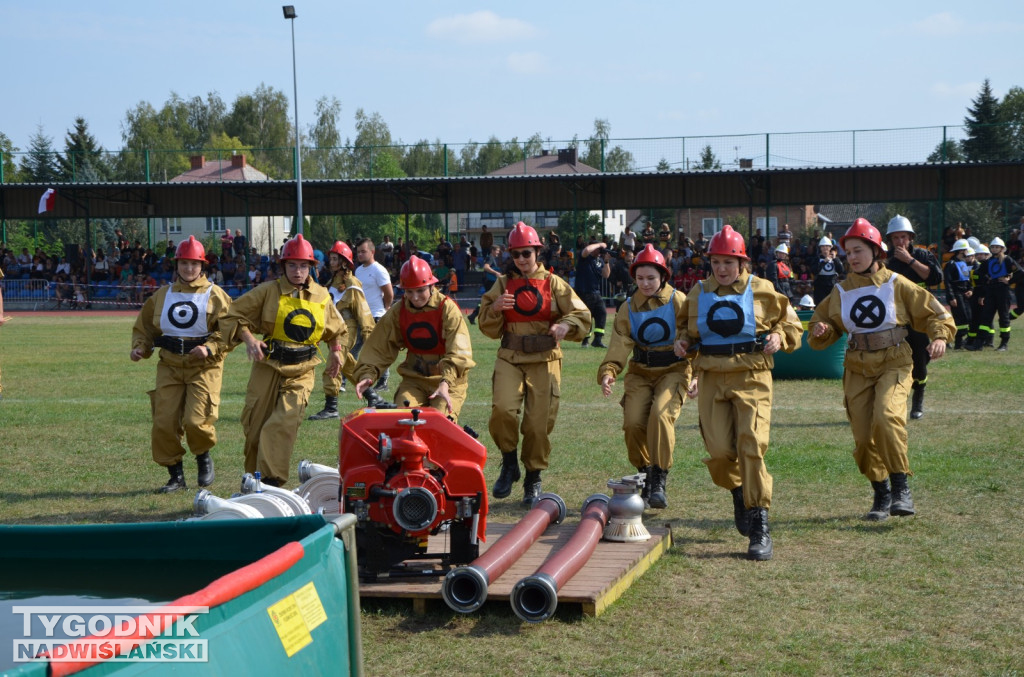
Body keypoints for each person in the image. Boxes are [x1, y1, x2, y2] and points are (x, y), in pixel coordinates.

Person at [809, 219, 955, 522]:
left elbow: (934, 311)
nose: (852, 257)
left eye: (858, 250)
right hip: (857, 366)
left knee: (887, 418)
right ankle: (881, 491)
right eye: (848, 252)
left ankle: (901, 487)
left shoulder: (896, 283)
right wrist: (822, 329)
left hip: (895, 360)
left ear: (877, 251)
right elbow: (822, 326)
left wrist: (940, 335)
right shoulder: (840, 290)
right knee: (863, 437)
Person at [671, 225, 802, 561]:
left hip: (752, 375)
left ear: (742, 262)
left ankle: (759, 523)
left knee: (751, 445)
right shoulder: (698, 293)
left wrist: (778, 336)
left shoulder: (764, 290)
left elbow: (791, 324)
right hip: (713, 376)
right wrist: (682, 344)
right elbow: (687, 332)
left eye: (729, 261)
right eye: (716, 261)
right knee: (718, 452)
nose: (722, 268)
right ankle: (738, 488)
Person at [478, 222, 592, 506]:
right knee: (503, 410)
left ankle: (533, 477)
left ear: (537, 252)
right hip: (511, 357)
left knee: (537, 425)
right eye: (516, 254)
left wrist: (566, 325)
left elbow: (582, 314)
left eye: (526, 253)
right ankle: (508, 463)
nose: (521, 260)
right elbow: (486, 325)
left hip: (545, 359)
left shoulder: (554, 283)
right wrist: (494, 309)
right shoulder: (503, 283)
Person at [221, 234, 346, 486]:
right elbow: (231, 316)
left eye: (303, 265)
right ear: (283, 267)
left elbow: (336, 329)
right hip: (268, 366)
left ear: (312, 267)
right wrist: (249, 339)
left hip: (302, 370)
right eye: (292, 265)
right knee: (255, 428)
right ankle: (253, 484)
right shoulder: (267, 292)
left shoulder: (322, 296)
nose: (298, 271)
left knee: (281, 424)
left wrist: (335, 350)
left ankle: (271, 483)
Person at [129, 236, 232, 493]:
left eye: (194, 264)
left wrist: (210, 347)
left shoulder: (216, 295)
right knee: (163, 422)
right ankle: (175, 475)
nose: (189, 269)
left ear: (202, 266)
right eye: (184, 263)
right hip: (170, 365)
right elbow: (146, 328)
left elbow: (231, 330)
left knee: (196, 421)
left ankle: (202, 456)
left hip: (204, 367)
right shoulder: (162, 296)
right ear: (177, 265)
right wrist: (141, 347)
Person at [598, 244, 696, 509]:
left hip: (674, 369)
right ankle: (645, 472)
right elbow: (619, 343)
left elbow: (693, 334)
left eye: (651, 278)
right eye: (640, 278)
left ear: (663, 276)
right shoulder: (627, 307)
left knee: (661, 416)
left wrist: (695, 371)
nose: (645, 283)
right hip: (640, 372)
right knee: (632, 424)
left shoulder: (678, 300)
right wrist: (609, 371)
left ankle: (660, 478)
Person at [353, 255, 475, 419]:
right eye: (409, 291)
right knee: (404, 417)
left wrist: (446, 382)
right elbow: (379, 346)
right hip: (414, 379)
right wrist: (368, 375)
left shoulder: (447, 309)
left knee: (440, 423)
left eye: (420, 290)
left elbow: (458, 352)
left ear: (432, 286)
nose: (415, 297)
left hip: (446, 381)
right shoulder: (399, 311)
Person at [884, 215, 943, 419]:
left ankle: (918, 400)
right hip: (894, 317)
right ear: (890, 240)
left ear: (910, 238)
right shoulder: (886, 260)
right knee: (892, 361)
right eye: (895, 238)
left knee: (920, 360)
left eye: (903, 237)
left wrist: (909, 261)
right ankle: (894, 403)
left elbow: (935, 277)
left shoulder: (923, 255)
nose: (900, 241)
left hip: (918, 316)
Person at [308, 241, 375, 420]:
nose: (331, 261)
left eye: (335, 258)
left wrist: (369, 335)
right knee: (347, 366)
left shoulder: (352, 282)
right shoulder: (332, 281)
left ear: (344, 262)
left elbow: (362, 310)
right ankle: (374, 397)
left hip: (348, 329)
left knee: (333, 365)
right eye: (331, 258)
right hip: (335, 330)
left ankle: (331, 408)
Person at [354, 238, 394, 391]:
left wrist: (385, 307)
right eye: (358, 252)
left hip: (376, 316)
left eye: (363, 251)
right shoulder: (358, 270)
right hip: (361, 316)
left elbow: (388, 293)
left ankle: (383, 381)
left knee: (377, 350)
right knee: (353, 349)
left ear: (372, 252)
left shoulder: (379, 270)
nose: (360, 254)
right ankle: (350, 378)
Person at [975, 237, 1018, 351]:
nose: (994, 249)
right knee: (986, 317)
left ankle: (1004, 343)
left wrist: (1009, 280)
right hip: (991, 291)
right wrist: (987, 279)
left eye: (997, 247)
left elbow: (1020, 272)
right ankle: (979, 343)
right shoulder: (988, 261)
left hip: (1003, 291)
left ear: (1002, 248)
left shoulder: (1007, 260)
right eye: (993, 247)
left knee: (1003, 317)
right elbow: (979, 273)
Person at [575, 239, 611, 348]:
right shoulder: (584, 257)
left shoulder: (599, 260)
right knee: (587, 317)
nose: (599, 251)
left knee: (602, 313)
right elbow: (586, 250)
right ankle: (585, 340)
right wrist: (600, 244)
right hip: (584, 292)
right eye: (598, 249)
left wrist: (606, 262)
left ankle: (597, 340)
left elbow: (606, 275)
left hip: (596, 292)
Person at [943, 239, 975, 350]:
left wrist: (970, 289)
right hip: (956, 295)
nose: (967, 251)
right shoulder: (951, 264)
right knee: (961, 319)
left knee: (968, 317)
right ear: (961, 251)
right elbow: (947, 282)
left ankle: (959, 341)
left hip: (964, 294)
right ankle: (957, 343)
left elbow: (968, 280)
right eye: (966, 249)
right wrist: (952, 297)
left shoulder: (964, 263)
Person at [467, 244, 501, 324]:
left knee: (487, 300)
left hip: (489, 281)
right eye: (497, 251)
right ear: (492, 250)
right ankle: (476, 315)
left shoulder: (491, 258)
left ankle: (473, 315)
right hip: (490, 282)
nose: (498, 253)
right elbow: (486, 267)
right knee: (491, 299)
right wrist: (496, 273)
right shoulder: (491, 258)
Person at [811, 236, 844, 306]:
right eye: (823, 246)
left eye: (827, 246)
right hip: (820, 286)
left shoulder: (835, 259)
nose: (825, 248)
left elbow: (841, 270)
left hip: (832, 284)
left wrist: (835, 259)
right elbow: (814, 271)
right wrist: (824, 262)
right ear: (820, 248)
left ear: (830, 247)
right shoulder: (817, 259)